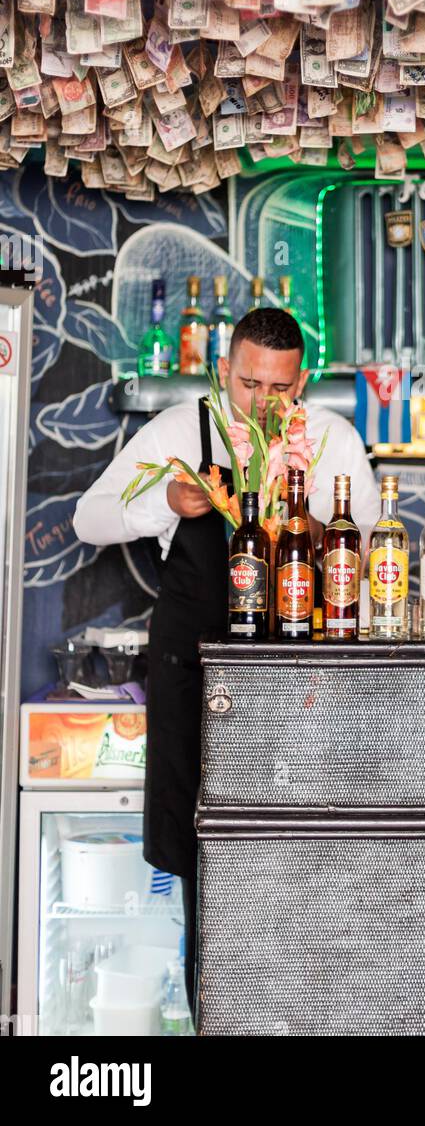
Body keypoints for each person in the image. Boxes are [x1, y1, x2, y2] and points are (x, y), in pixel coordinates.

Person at [72, 307, 380, 1017]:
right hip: (199, 679)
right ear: (223, 373)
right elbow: (90, 516)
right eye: (248, 385)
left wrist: (325, 533)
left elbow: (368, 551)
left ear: (300, 380)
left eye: (279, 389)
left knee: (306, 871)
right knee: (206, 871)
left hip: (305, 691)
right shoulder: (182, 432)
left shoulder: (332, 438)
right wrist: (170, 500)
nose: (264, 403)